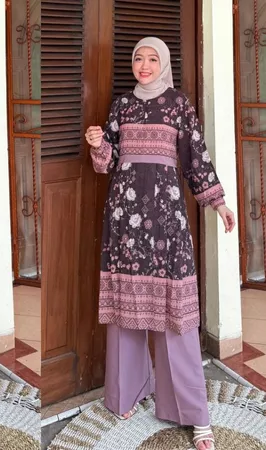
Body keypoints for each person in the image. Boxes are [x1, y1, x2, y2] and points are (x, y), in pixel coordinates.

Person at [85, 37, 235, 450]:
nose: (144, 65)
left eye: (153, 59)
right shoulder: (122, 106)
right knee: (126, 310)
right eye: (139, 58)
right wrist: (98, 144)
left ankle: (191, 412)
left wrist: (218, 204)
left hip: (167, 222)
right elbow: (107, 163)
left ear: (164, 63)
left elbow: (196, 158)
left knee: (175, 315)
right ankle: (126, 394)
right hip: (124, 220)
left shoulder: (178, 105)